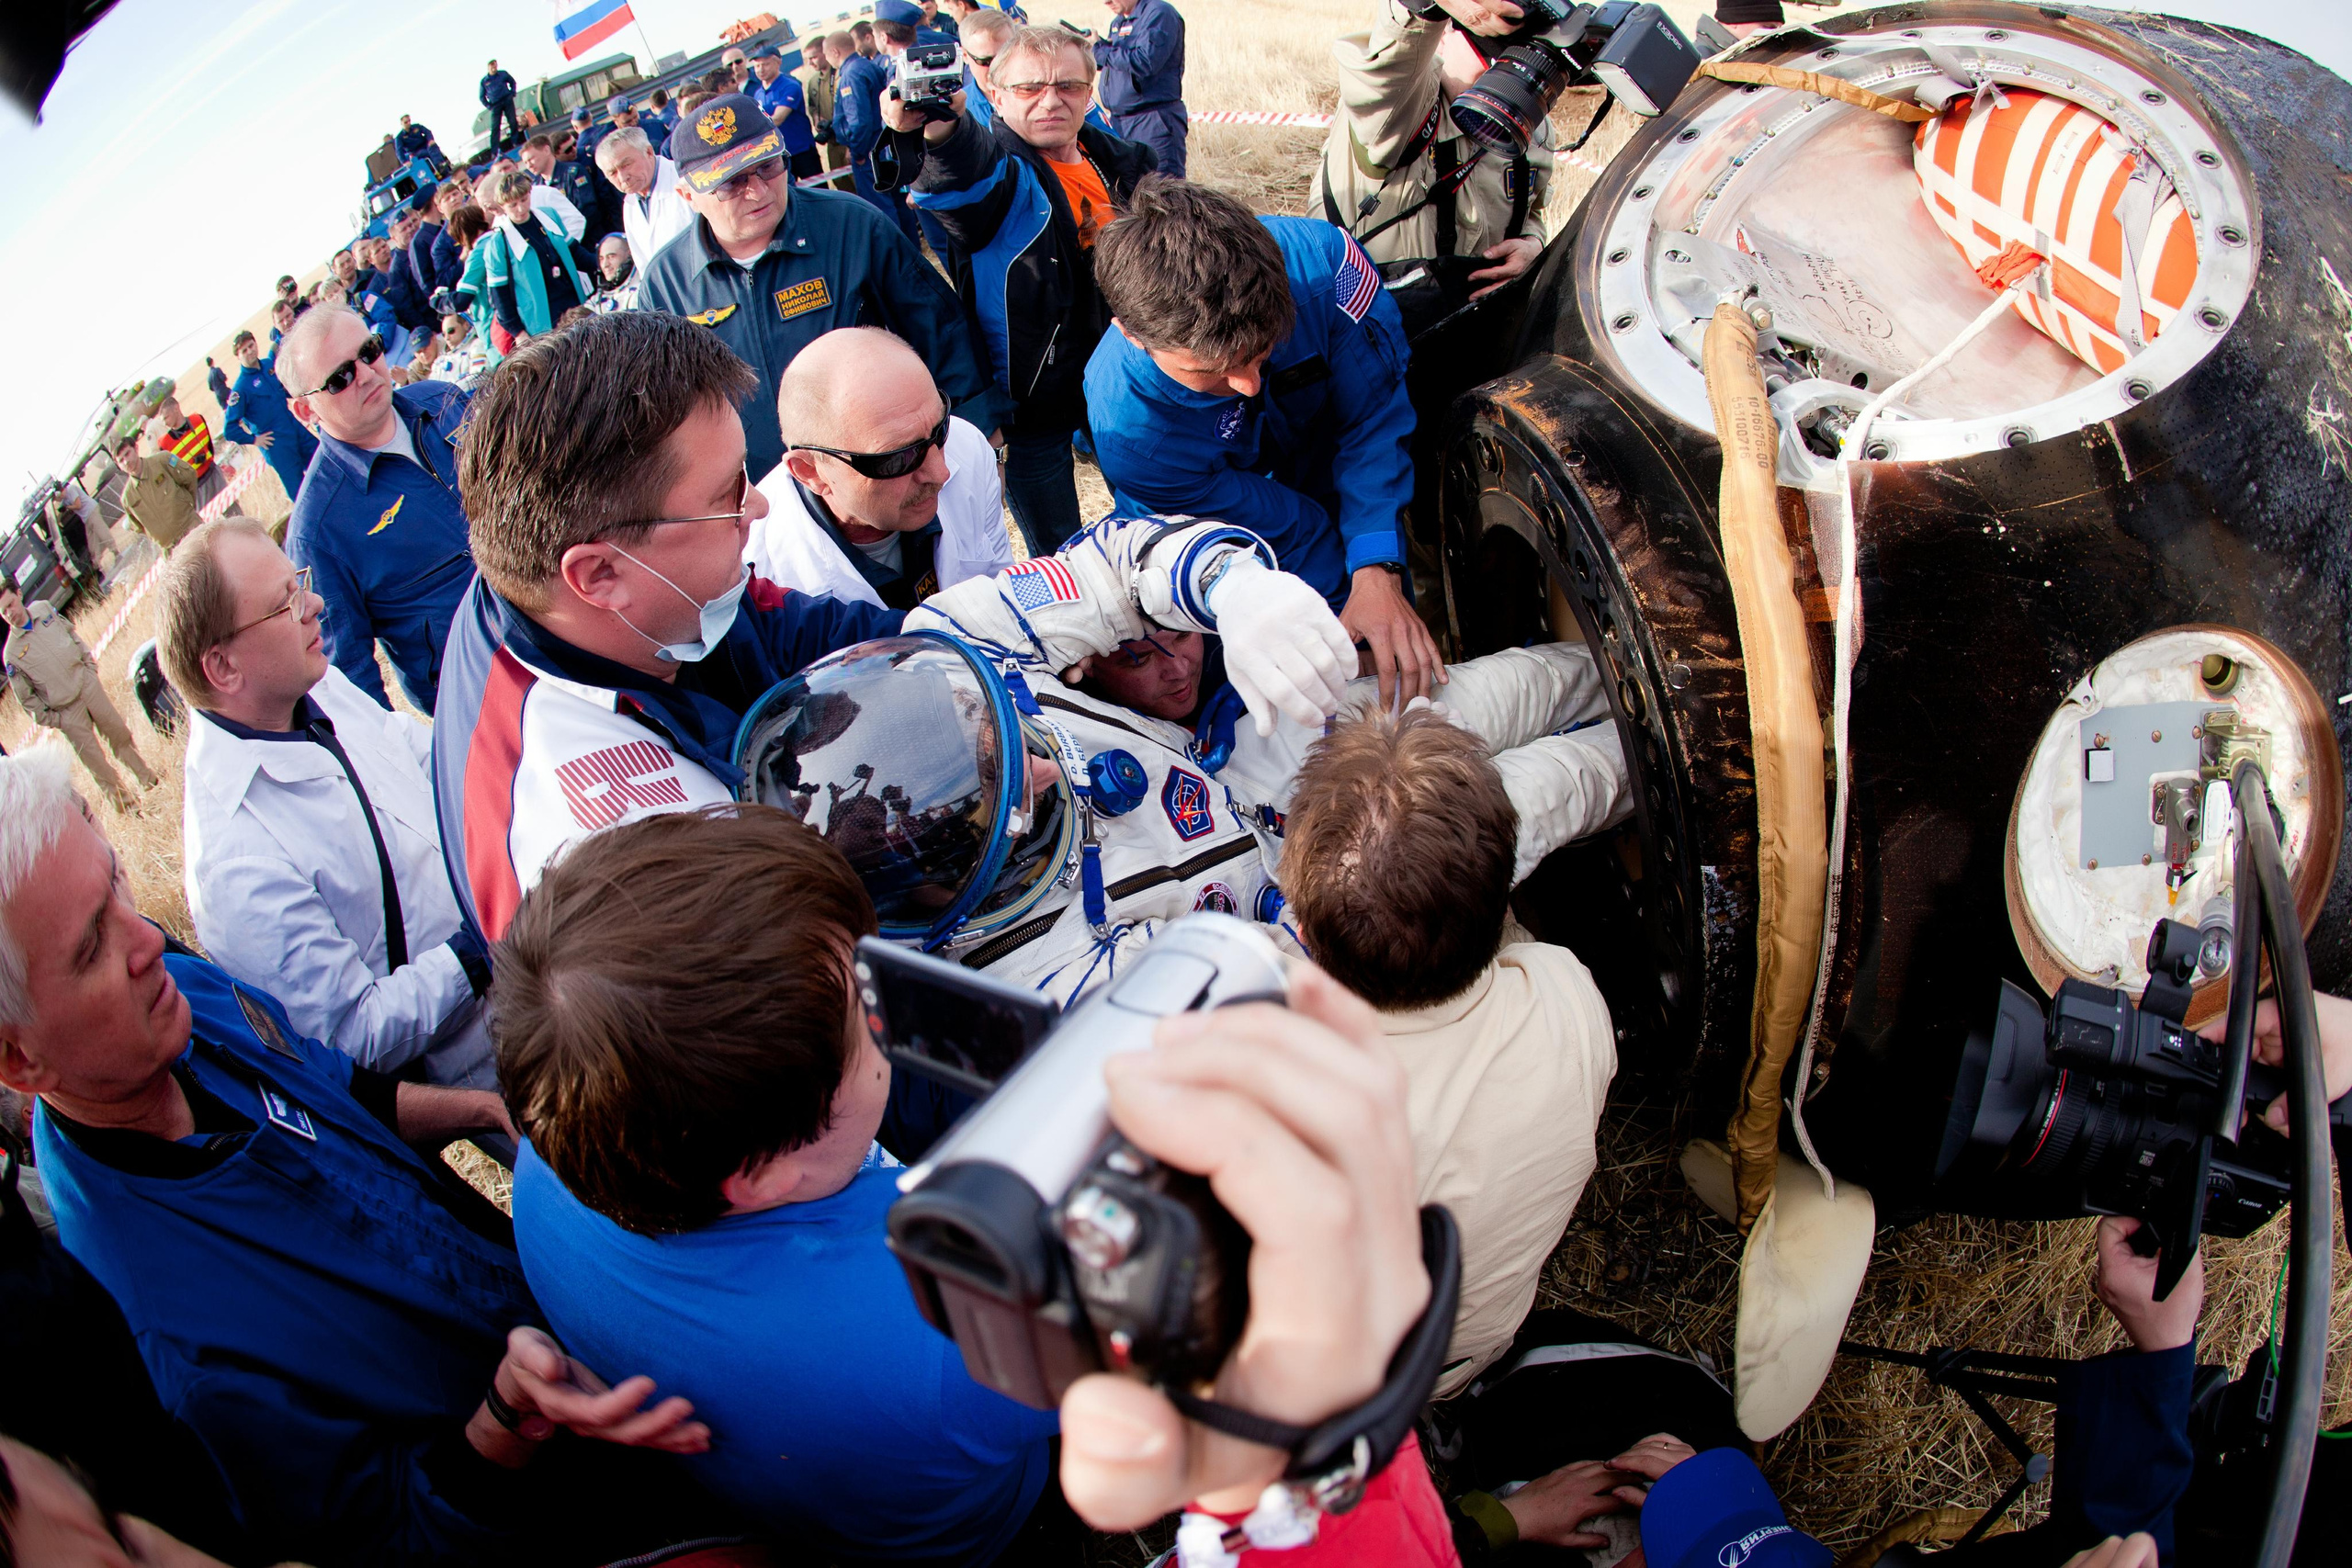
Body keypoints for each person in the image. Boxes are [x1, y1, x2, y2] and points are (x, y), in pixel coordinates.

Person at [0, 746, 718, 1567]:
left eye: (117, 883)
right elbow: (396, 1538)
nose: (146, 941)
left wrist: (480, 1109)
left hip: (591, 1329)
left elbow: (334, 1086)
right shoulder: (175, 1337)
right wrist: (510, 1411)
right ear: (19, 1062)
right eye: (92, 947)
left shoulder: (181, 997)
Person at [498, 806, 1067, 1562]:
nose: (886, 1000)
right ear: (760, 1174)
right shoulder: (953, 1315)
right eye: (865, 1015)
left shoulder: (554, 1150)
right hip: (998, 1511)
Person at [430, 310, 899, 941]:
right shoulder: (608, 868)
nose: (757, 505)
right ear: (598, 575)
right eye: (726, 495)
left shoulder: (600, 587)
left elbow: (808, 630)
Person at [1279, 705, 1619, 1396]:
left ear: (1303, 928)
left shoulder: (1285, 1107)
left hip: (1357, 1391)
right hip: (1484, 1337)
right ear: (1505, 899)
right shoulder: (1571, 996)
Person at [162, 519, 496, 1098]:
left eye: (300, 583)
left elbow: (422, 755)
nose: (314, 604)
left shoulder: (309, 684)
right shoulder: (236, 865)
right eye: (283, 604)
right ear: (223, 667)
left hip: (531, 950)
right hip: (487, 1057)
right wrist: (482, 939)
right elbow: (353, 1035)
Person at [1088, 176, 1442, 705]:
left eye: (1262, 354)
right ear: (1132, 334)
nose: (1249, 385)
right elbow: (1284, 532)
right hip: (1225, 505)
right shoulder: (1134, 432)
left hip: (1330, 449)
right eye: (1211, 371)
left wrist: (1377, 568)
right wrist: (1334, 639)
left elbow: (1373, 419)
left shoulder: (1332, 274)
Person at [633, 92, 1009, 484]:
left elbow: (941, 333)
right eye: (731, 183)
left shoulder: (852, 226)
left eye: (768, 166)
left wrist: (984, 437)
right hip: (764, 506)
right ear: (687, 196)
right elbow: (666, 417)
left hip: (887, 478)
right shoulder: (666, 285)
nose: (758, 191)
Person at [896, 22, 1157, 553]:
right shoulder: (1001, 171)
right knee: (1060, 553)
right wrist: (942, 130)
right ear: (994, 93)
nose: (1050, 101)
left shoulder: (1115, 161)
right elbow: (963, 182)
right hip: (1032, 403)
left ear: (1091, 91)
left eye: (1068, 87)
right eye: (1029, 88)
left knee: (1152, 522)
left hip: (1121, 379)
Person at [277, 303, 475, 713]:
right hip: (484, 698)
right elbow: (352, 687)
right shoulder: (318, 532)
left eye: (369, 352)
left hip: (574, 628)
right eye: (340, 379)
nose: (366, 374)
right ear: (303, 410)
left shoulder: (444, 402)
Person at [1321, 0, 1555, 323]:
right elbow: (1384, 74)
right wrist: (1422, 8)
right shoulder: (1400, 110)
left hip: (1472, 330)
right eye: (1486, 42)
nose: (1502, 65)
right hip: (1368, 327)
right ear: (1442, 35)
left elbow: (1533, 209)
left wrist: (1533, 245)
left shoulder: (1532, 127)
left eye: (1518, 52)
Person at [751, 326, 1009, 609]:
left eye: (940, 429)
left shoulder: (968, 446)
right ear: (810, 471)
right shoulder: (757, 573)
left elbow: (1000, 595)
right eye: (898, 458)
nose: (941, 473)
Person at [0, 582, 157, 810]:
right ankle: (130, 808)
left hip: (87, 686)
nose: (9, 613)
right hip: (67, 712)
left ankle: (149, 780)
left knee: (119, 734)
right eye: (3, 612)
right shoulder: (12, 654)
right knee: (98, 765)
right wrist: (57, 720)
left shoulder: (43, 610)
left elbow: (71, 633)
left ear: (19, 594)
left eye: (10, 605)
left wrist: (89, 667)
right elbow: (27, 700)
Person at [481, 169, 594, 343]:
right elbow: (499, 298)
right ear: (502, 206)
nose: (520, 208)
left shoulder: (549, 215)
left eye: (524, 200)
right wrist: (518, 333)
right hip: (541, 322)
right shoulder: (498, 243)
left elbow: (575, 252)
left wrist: (603, 264)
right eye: (512, 205)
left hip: (573, 302)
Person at [829, 29, 914, 235]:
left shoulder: (850, 75)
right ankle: (911, 249)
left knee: (881, 209)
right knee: (898, 203)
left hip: (868, 152)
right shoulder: (869, 65)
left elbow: (859, 121)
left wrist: (857, 153)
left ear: (833, 51)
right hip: (885, 145)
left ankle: (897, 255)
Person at [220, 331, 317, 507]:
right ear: (238, 356)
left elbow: (284, 389)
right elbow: (230, 429)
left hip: (294, 428)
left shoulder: (268, 366)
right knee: (301, 492)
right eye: (244, 350)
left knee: (322, 461)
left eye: (251, 346)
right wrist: (254, 439)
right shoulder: (240, 389)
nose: (250, 351)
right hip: (276, 444)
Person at [1095, 0, 1188, 177]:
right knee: (1128, 194)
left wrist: (1100, 50)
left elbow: (1145, 61)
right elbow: (1116, 63)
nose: (1106, 1)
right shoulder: (1119, 22)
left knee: (1162, 197)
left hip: (1152, 123)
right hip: (1119, 123)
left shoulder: (1159, 13)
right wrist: (1090, 48)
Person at [596, 126, 695, 271]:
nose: (623, 178)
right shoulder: (630, 205)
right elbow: (644, 266)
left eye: (626, 165)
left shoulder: (686, 181)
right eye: (612, 173)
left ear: (649, 152)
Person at [110, 432, 201, 553]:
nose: (126, 461)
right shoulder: (128, 498)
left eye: (127, 454)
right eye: (121, 460)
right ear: (119, 466)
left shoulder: (162, 460)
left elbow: (189, 476)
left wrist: (189, 506)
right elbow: (139, 527)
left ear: (136, 448)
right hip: (171, 550)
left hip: (192, 528)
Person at [153, 392, 240, 519]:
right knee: (211, 524)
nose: (165, 423)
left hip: (213, 474)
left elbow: (210, 447)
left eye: (166, 417)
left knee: (234, 511)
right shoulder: (165, 444)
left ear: (176, 409)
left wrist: (205, 458)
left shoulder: (198, 420)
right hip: (197, 488)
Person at [748, 42, 821, 180]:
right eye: (757, 66)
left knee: (817, 192)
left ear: (778, 63)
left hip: (802, 151)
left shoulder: (790, 86)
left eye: (766, 64)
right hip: (779, 156)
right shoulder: (758, 94)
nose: (761, 69)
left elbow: (778, 119)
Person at [521, 132, 597, 240]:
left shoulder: (573, 173)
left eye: (531, 159)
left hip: (589, 238)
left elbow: (588, 209)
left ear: (546, 150)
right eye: (525, 162)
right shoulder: (535, 187)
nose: (529, 165)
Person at [481, 57, 521, 152]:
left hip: (507, 100)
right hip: (495, 105)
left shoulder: (503, 74)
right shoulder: (484, 81)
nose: (494, 67)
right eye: (491, 66)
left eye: (495, 65)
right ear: (488, 68)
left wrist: (512, 93)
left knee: (513, 121)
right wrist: (489, 106)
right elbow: (481, 97)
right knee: (495, 127)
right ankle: (495, 151)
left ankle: (515, 142)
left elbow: (512, 82)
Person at [589, 234, 638, 310]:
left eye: (611, 257)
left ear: (629, 255)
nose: (605, 265)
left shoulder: (642, 291)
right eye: (601, 259)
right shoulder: (596, 302)